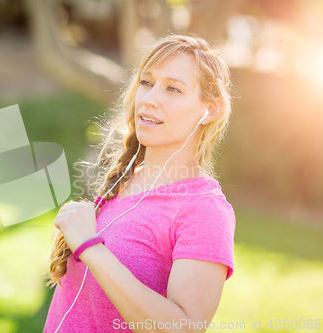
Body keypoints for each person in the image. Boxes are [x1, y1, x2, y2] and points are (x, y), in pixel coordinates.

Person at [43, 34, 236, 333]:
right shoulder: (125, 180)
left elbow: (184, 328)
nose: (149, 99)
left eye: (173, 88)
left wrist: (92, 249)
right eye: (146, 83)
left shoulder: (204, 210)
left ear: (210, 110)